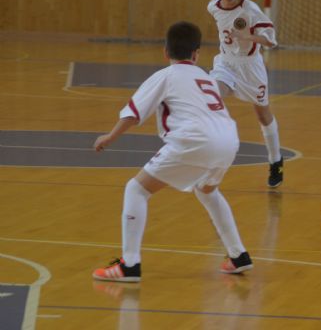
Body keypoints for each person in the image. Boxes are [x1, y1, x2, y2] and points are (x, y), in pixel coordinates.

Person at [92, 21, 253, 282]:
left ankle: (129, 265)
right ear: (196, 54)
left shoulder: (165, 76)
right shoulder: (206, 77)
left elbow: (134, 113)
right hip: (229, 139)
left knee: (137, 189)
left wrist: (110, 136)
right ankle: (239, 256)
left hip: (195, 140)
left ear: (165, 52)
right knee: (207, 191)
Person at [207, 0, 283, 189]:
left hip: (251, 68)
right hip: (226, 64)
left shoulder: (250, 11)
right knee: (212, 97)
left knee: (263, 115)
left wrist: (249, 37)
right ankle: (212, 155)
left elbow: (271, 40)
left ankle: (275, 160)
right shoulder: (213, 6)